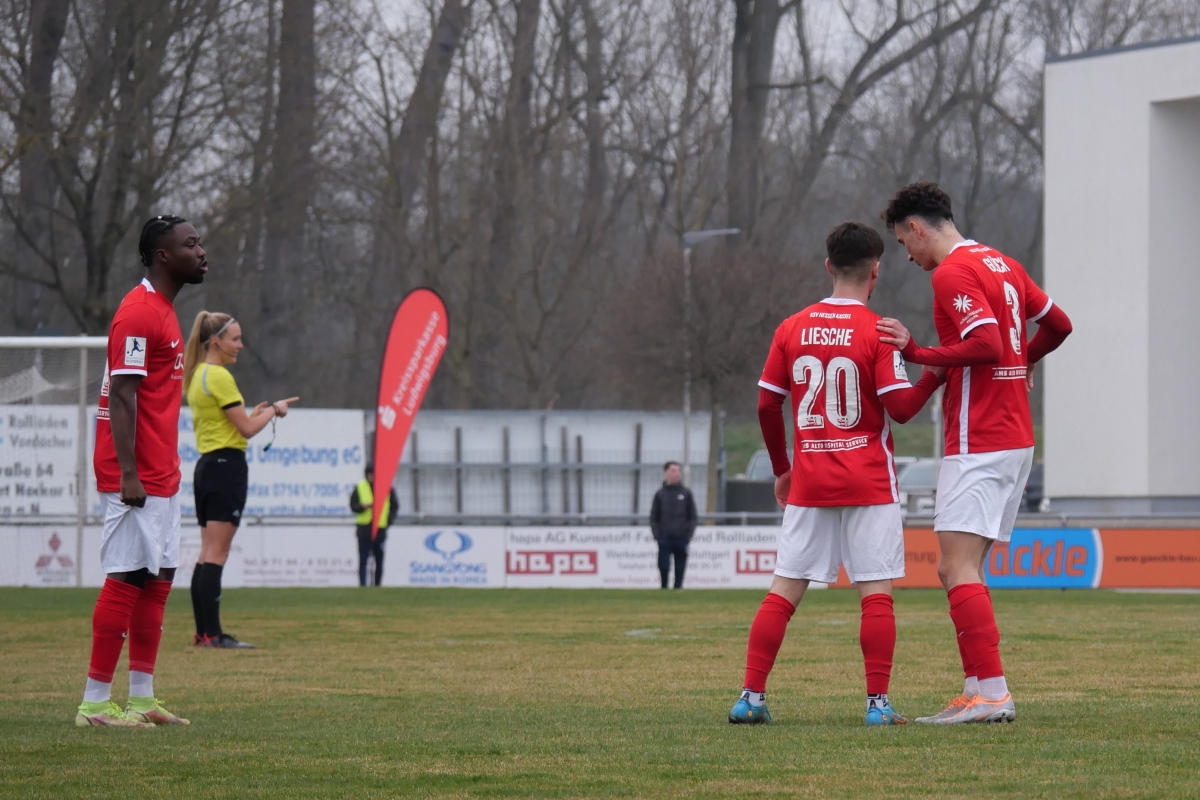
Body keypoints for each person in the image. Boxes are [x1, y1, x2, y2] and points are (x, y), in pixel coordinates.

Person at [729, 221, 944, 727]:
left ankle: (751, 697)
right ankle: (876, 705)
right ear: (876, 270)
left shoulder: (791, 327)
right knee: (875, 591)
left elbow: (766, 405)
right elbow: (903, 410)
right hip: (868, 481)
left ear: (828, 266)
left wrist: (784, 469)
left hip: (810, 481)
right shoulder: (879, 331)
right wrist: (937, 372)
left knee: (784, 590)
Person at [876, 182, 1073, 724]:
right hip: (1015, 439)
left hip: (980, 441)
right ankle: (977, 687)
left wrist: (913, 349)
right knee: (963, 569)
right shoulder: (1003, 264)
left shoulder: (953, 273)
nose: (907, 256)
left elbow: (983, 344)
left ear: (917, 228)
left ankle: (994, 694)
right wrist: (1025, 360)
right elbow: (1059, 325)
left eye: (902, 242)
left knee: (955, 567)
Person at [75, 215, 206, 727]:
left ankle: (143, 699)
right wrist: (129, 473)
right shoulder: (137, 313)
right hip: (134, 476)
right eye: (190, 244)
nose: (201, 251)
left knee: (159, 580)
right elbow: (123, 395)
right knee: (126, 578)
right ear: (162, 256)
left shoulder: (165, 311)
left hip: (161, 472)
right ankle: (93, 704)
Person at [184, 311, 298, 648]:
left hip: (207, 465)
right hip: (225, 467)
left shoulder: (197, 375)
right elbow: (246, 431)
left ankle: (205, 632)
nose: (241, 345)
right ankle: (212, 635)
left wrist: (253, 415)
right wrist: (273, 411)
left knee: (207, 552)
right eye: (235, 339)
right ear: (216, 341)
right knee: (217, 553)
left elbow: (230, 424)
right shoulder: (218, 377)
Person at [649, 461, 697, 589]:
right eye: (673, 471)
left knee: (680, 565)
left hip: (681, 537)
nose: (676, 474)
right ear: (666, 473)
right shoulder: (660, 494)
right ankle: (664, 587)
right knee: (663, 565)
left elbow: (692, 516)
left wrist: (689, 534)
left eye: (678, 471)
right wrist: (657, 534)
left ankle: (678, 588)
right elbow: (654, 516)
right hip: (664, 537)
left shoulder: (686, 493)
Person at [350, 464, 399, 586]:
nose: (372, 477)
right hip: (364, 529)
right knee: (363, 559)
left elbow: (394, 506)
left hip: (380, 528)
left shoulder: (387, 488)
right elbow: (353, 506)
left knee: (379, 560)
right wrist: (362, 507)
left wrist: (389, 521)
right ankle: (363, 585)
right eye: (370, 474)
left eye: (373, 474)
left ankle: (377, 585)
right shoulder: (360, 487)